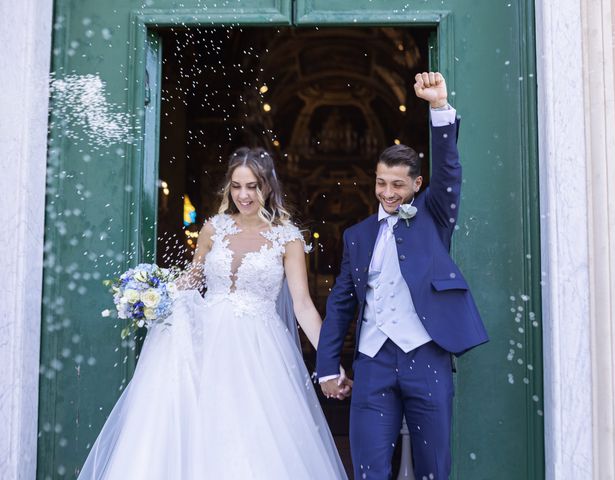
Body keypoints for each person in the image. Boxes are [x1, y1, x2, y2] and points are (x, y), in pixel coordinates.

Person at [79, 147, 350, 479]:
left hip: (259, 350)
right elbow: (193, 281)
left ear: (268, 186)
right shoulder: (213, 228)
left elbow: (303, 306)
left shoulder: (287, 238)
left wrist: (329, 359)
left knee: (253, 436)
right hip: (205, 344)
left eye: (252, 186)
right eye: (236, 186)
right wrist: (152, 294)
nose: (244, 195)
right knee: (200, 427)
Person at [316, 72, 489, 479]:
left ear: (417, 185)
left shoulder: (434, 216)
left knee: (433, 468)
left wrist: (438, 107)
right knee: (369, 468)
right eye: (381, 183)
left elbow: (449, 170)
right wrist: (327, 365)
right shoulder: (357, 236)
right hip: (373, 361)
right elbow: (342, 303)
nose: (388, 193)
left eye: (398, 184)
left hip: (426, 355)